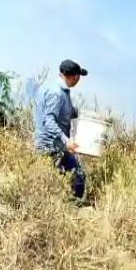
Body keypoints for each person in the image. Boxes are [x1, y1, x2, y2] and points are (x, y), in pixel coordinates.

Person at [34, 59, 88, 202]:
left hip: (48, 144)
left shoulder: (51, 88)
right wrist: (66, 140)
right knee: (77, 177)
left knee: (59, 181)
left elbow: (59, 110)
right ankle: (74, 209)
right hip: (52, 147)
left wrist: (78, 114)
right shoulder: (57, 94)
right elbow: (49, 120)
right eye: (78, 77)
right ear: (74, 77)